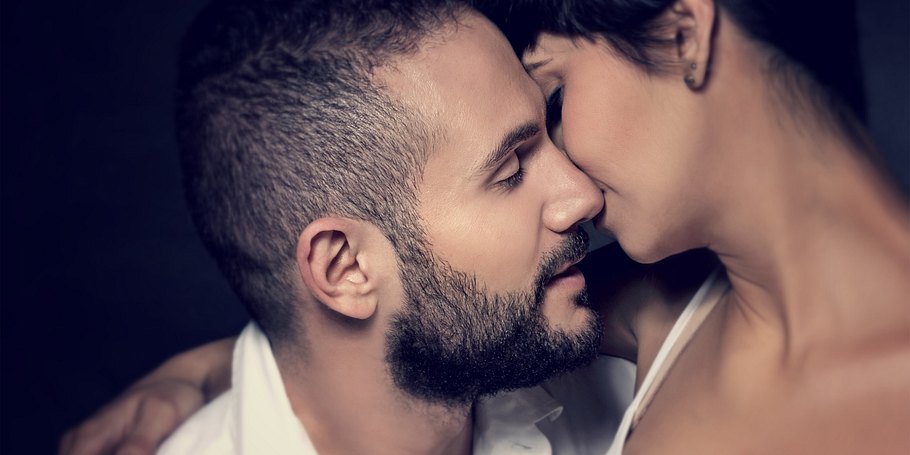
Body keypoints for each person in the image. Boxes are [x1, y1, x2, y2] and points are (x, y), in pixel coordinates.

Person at [62, 0, 910, 453]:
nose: (576, 191)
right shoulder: (592, 323)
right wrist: (217, 375)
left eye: (556, 103)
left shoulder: (597, 334)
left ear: (686, 29)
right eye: (512, 165)